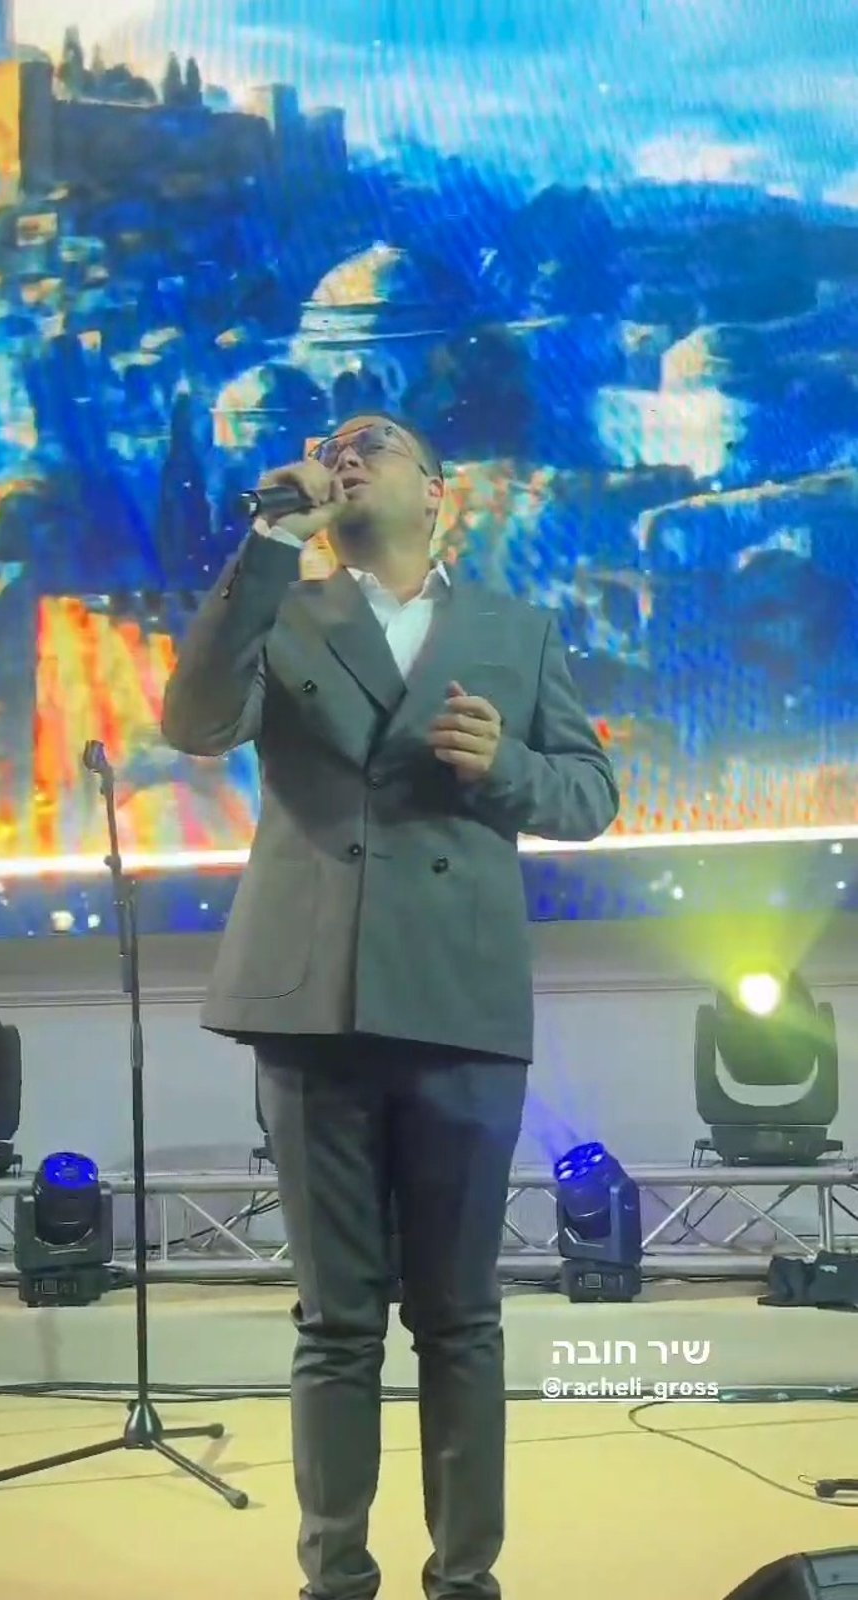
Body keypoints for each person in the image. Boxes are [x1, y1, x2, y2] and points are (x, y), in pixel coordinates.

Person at [161, 413, 619, 1600]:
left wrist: (505, 766)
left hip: (460, 999)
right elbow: (195, 723)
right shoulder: (283, 606)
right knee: (335, 1321)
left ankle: (464, 1579)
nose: (345, 454)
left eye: (376, 442)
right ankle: (336, 1578)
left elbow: (590, 793)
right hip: (315, 1000)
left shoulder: (517, 630)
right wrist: (272, 541)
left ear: (437, 490)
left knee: (461, 1317)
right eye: (332, 446)